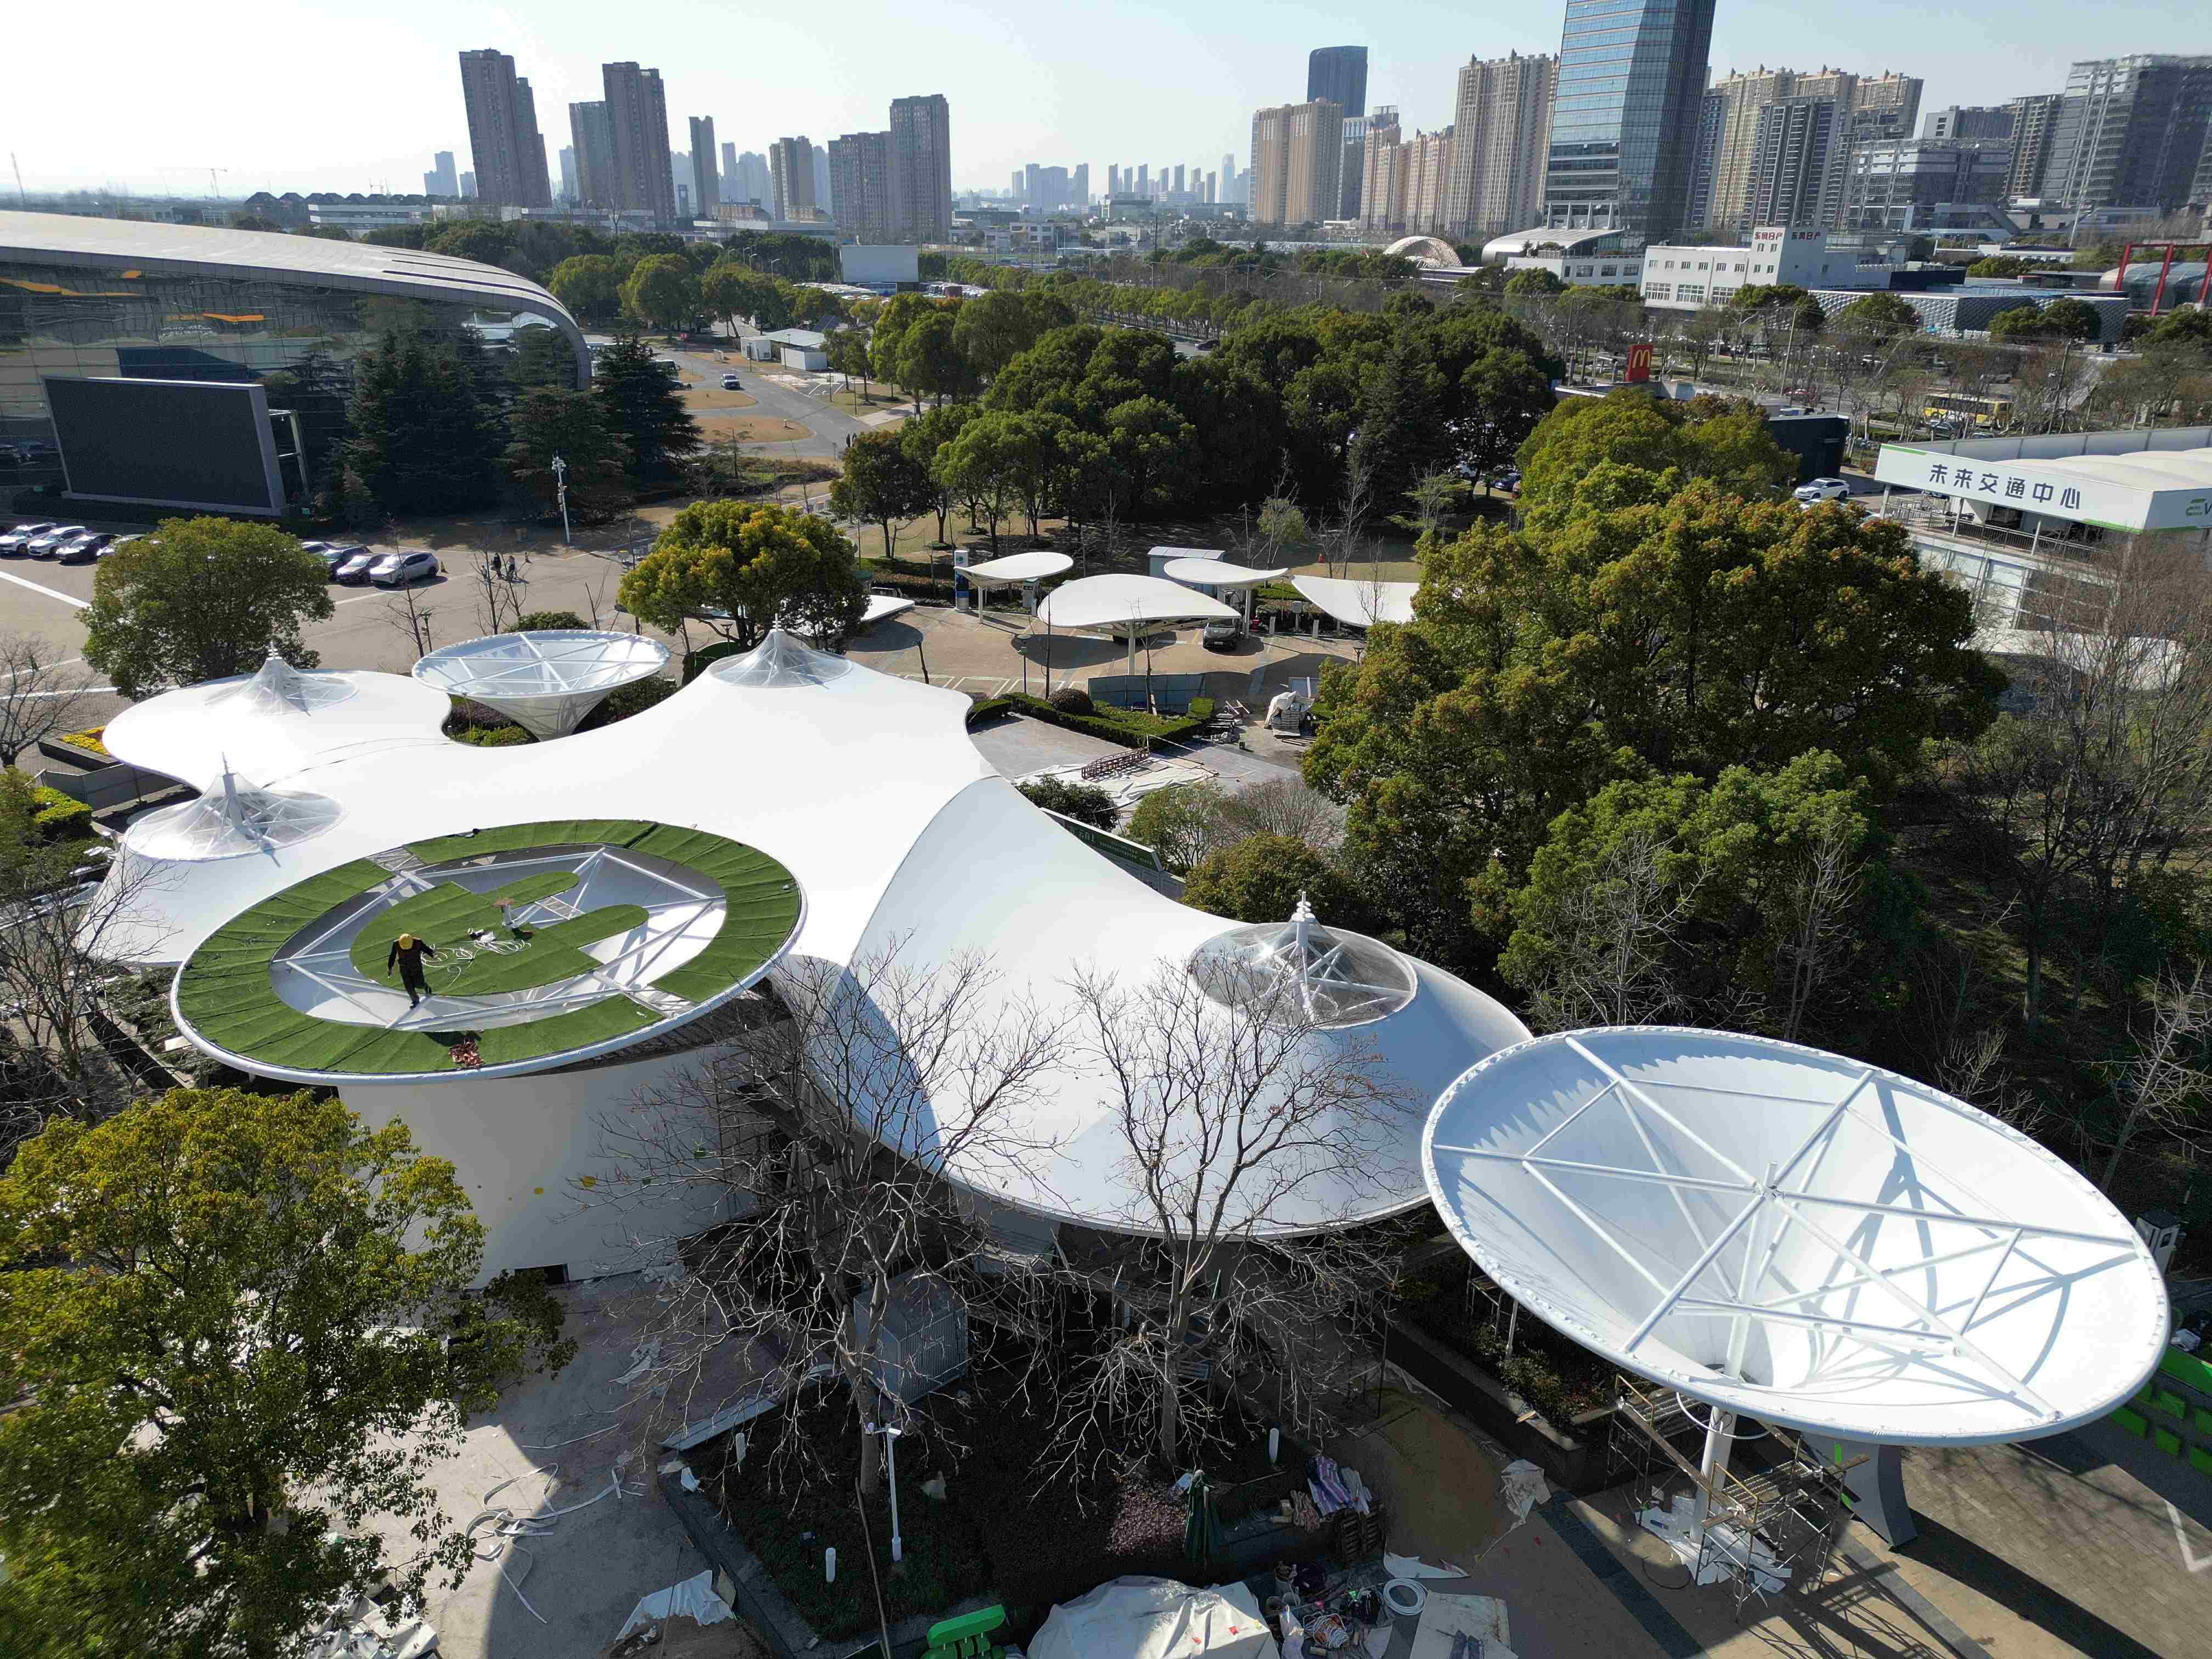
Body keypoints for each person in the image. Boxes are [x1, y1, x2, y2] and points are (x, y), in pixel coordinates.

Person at [387, 932, 437, 1007]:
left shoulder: (418, 942)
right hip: (404, 968)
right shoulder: (396, 944)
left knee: (419, 985)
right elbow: (392, 956)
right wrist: (390, 968)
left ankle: (426, 987)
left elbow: (427, 950)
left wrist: (433, 955)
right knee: (409, 988)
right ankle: (415, 1001)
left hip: (416, 967)